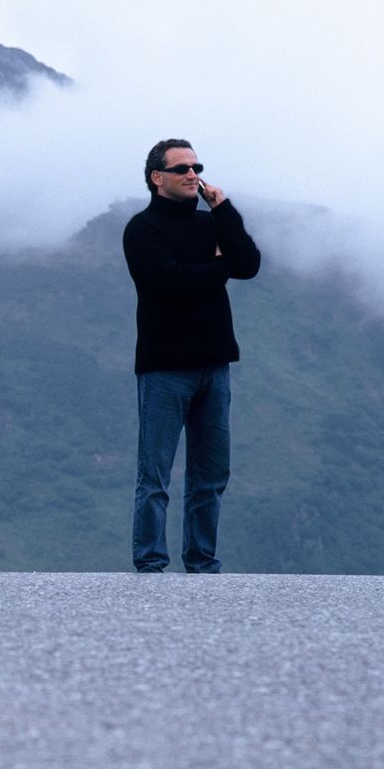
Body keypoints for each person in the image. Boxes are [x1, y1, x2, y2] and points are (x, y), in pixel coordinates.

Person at [123, 139, 261, 573]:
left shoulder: (209, 223)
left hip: (214, 366)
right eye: (182, 168)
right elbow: (170, 282)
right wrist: (219, 267)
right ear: (157, 177)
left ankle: (202, 563)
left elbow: (248, 264)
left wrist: (223, 209)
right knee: (155, 475)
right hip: (164, 368)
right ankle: (150, 564)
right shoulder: (142, 230)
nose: (192, 174)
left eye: (196, 167)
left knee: (211, 475)